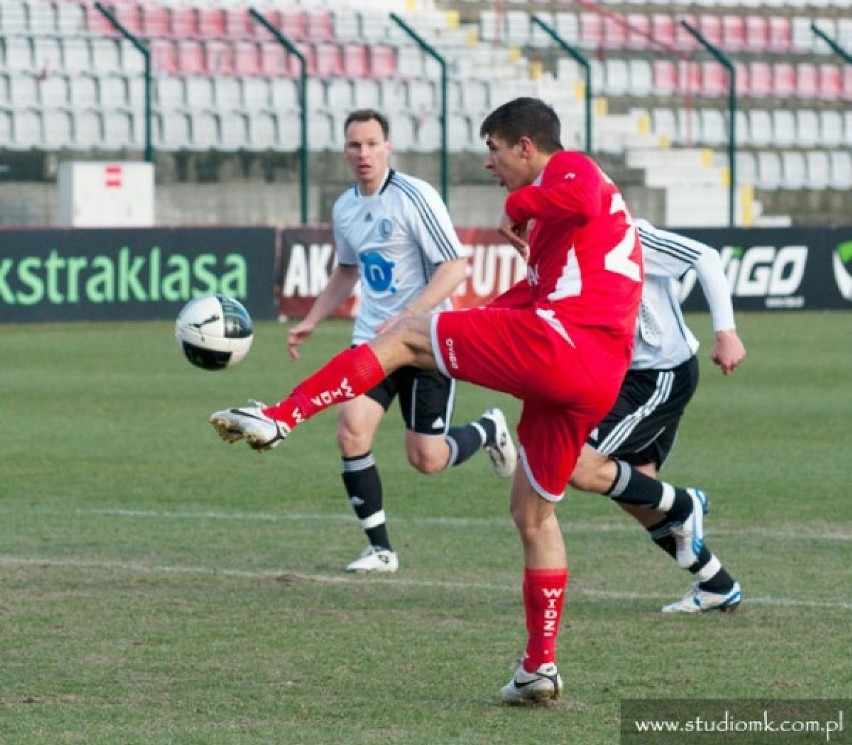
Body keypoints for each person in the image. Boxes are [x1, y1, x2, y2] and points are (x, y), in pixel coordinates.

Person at [209, 97, 703, 705]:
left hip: (567, 346)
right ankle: (538, 667)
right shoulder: (557, 231)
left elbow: (577, 200)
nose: (489, 164)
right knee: (532, 515)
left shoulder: (570, 168)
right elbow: (534, 296)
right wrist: (481, 314)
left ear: (526, 146)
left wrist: (519, 206)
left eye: (494, 150)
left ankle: (280, 416)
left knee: (404, 336)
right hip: (591, 371)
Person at [287, 108, 518, 574]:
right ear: (345, 151)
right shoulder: (346, 206)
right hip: (373, 340)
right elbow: (348, 270)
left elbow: (455, 267)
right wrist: (312, 318)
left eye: (372, 143)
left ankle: (489, 429)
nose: (363, 153)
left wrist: (407, 317)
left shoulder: (415, 196)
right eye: (355, 145)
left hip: (426, 339)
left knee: (426, 459)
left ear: (388, 147)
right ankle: (380, 550)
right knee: (351, 429)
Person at [570, 219, 746, 612]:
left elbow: (706, 256)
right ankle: (716, 583)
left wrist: (726, 332)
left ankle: (687, 503)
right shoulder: (558, 241)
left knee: (579, 466)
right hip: (625, 376)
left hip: (659, 375)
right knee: (636, 490)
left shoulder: (621, 229)